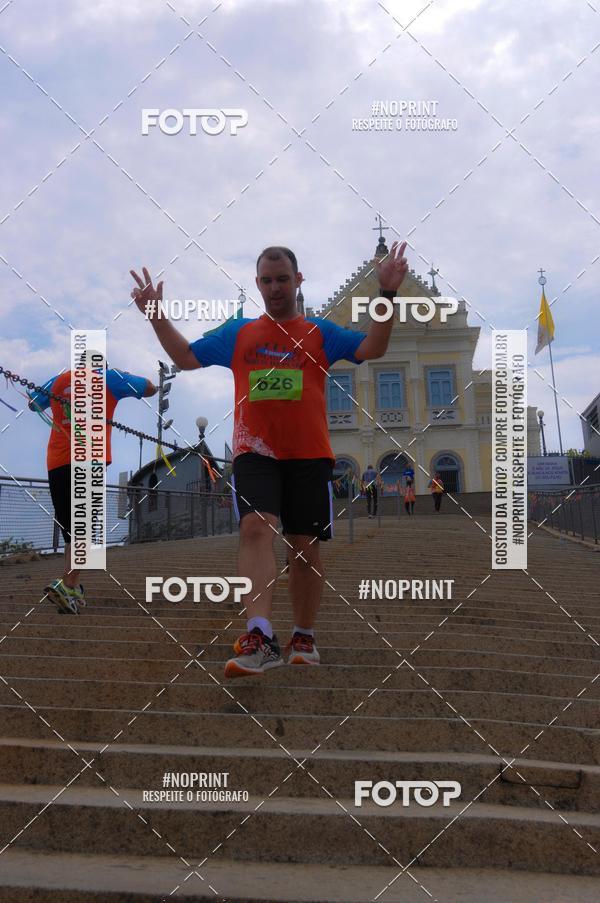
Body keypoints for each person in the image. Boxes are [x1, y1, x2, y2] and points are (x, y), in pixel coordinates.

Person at [130, 242, 409, 678]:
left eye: (283, 279)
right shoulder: (239, 333)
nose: (275, 288)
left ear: (298, 281)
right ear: (257, 283)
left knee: (304, 547)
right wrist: (154, 313)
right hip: (254, 452)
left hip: (308, 454)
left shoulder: (320, 332)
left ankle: (304, 636)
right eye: (267, 280)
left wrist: (386, 294)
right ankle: (259, 635)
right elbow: (185, 357)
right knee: (255, 528)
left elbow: (374, 348)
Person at [28, 359, 157, 614]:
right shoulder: (109, 377)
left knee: (71, 529)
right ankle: (68, 585)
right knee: (84, 527)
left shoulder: (59, 380)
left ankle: (72, 590)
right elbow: (150, 388)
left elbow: (33, 403)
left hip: (57, 461)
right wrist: (121, 375)